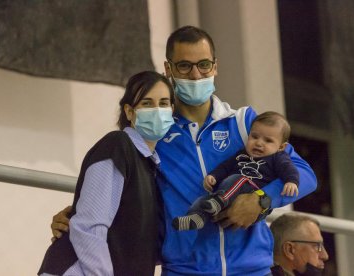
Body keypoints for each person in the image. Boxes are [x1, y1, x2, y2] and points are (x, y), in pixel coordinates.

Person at [50, 25, 317, 275]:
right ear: (168, 68)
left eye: (203, 65)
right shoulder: (154, 134)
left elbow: (304, 174)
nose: (196, 75)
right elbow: (125, 195)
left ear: (215, 66)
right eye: (185, 66)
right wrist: (79, 215)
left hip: (252, 269)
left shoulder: (244, 123)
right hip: (184, 270)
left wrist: (261, 200)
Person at [38, 71, 175, 275]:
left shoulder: (151, 167)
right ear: (129, 112)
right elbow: (89, 227)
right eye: (147, 103)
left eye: (164, 103)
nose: (157, 110)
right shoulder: (118, 146)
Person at [173, 111, 299, 231]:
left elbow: (289, 170)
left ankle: (220, 200)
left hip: (255, 200)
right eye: (254, 136)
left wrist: (291, 181)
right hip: (229, 195)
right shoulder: (241, 154)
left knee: (239, 179)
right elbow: (225, 167)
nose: (259, 143)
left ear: (281, 147)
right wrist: (213, 176)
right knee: (205, 199)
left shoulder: (279, 157)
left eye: (268, 140)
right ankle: (196, 217)